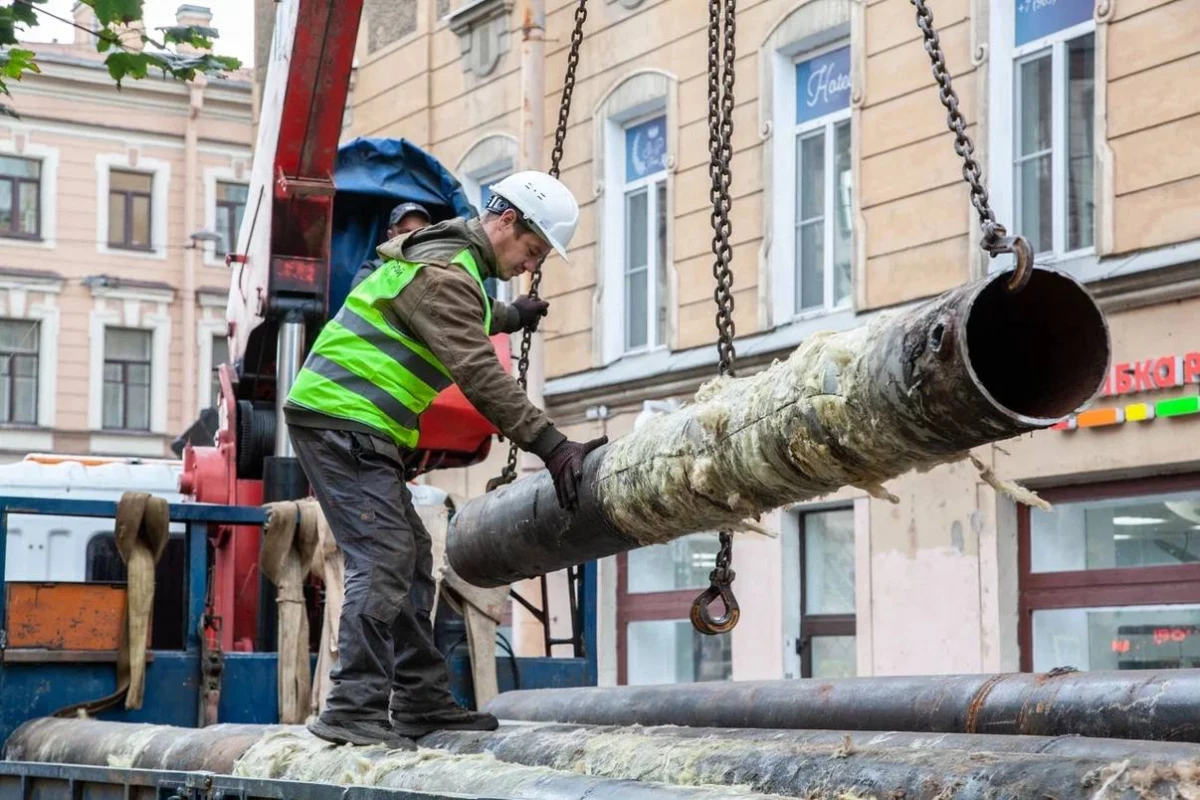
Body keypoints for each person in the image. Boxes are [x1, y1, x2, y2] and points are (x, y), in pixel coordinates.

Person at [283, 171, 607, 750]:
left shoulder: (455, 260)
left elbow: (464, 312)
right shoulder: (446, 273)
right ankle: (352, 708)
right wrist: (554, 448)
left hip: (353, 421)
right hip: (342, 418)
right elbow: (482, 376)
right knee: (383, 559)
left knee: (410, 557)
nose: (529, 265)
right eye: (532, 250)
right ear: (507, 221)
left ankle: (420, 700)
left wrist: (512, 315)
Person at [350, 201, 433, 291]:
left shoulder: (439, 267)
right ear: (390, 235)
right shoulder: (372, 270)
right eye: (404, 232)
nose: (411, 237)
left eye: (418, 232)